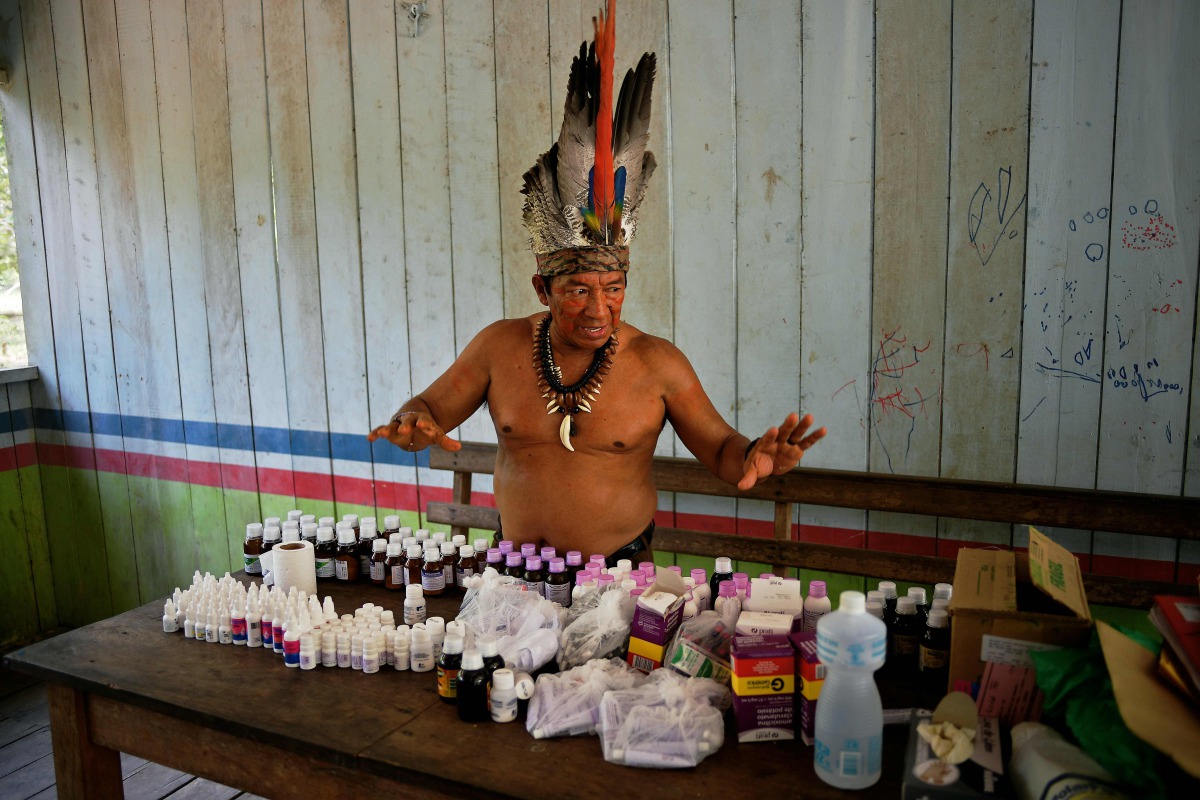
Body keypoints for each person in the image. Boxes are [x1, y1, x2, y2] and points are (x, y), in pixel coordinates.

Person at [368, 0, 825, 566]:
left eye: (613, 288)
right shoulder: (499, 347)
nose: (599, 309)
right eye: (578, 290)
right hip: (514, 575)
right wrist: (412, 422)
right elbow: (430, 409)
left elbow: (725, 451)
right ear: (543, 290)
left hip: (619, 582)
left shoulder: (659, 364)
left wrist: (757, 455)